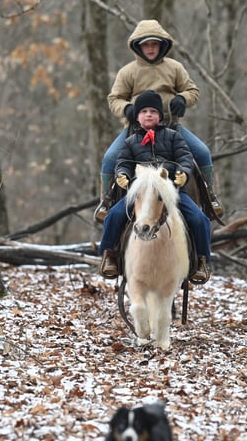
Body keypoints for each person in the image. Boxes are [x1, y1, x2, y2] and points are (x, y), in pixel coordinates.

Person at [94, 19, 223, 223]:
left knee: (202, 152)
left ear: (163, 45)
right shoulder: (128, 71)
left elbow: (192, 90)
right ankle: (106, 202)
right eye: (146, 44)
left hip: (170, 127)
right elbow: (114, 98)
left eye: (155, 44)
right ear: (138, 46)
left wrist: (183, 99)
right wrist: (126, 108)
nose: (151, 48)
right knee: (110, 157)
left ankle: (210, 199)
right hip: (136, 129)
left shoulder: (174, 68)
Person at [98, 90, 211, 284]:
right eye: (143, 111)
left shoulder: (173, 137)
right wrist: (122, 174)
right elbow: (123, 161)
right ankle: (110, 256)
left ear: (160, 116)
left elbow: (185, 157)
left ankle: (202, 261)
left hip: (170, 193)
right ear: (137, 117)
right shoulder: (130, 142)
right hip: (141, 194)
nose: (148, 114)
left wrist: (183, 172)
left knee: (199, 218)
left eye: (153, 111)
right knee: (115, 215)